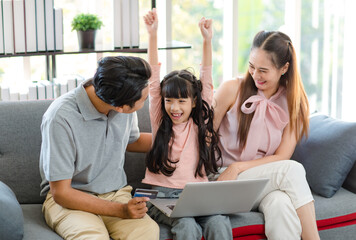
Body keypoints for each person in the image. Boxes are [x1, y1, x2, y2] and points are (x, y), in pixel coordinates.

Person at [213, 30, 320, 240]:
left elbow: (281, 157)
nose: (255, 75)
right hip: (222, 178)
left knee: (281, 204)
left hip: (260, 182)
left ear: (284, 68)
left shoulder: (293, 102)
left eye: (263, 70)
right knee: (293, 170)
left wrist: (238, 167)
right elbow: (202, 136)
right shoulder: (231, 88)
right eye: (251, 67)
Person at [39, 56, 159, 240]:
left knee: (148, 232)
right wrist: (120, 210)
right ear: (120, 107)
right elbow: (61, 193)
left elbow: (131, 141)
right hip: (71, 199)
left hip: (116, 193)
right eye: (143, 100)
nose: (143, 104)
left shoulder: (120, 99)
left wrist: (176, 142)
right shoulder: (60, 117)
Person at [142, 9, 232, 240]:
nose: (174, 107)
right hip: (158, 193)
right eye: (169, 101)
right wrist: (153, 35)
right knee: (187, 225)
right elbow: (153, 80)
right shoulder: (160, 120)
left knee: (219, 221)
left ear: (194, 103)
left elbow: (208, 81)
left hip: (197, 193)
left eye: (182, 101)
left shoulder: (199, 123)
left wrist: (207, 41)